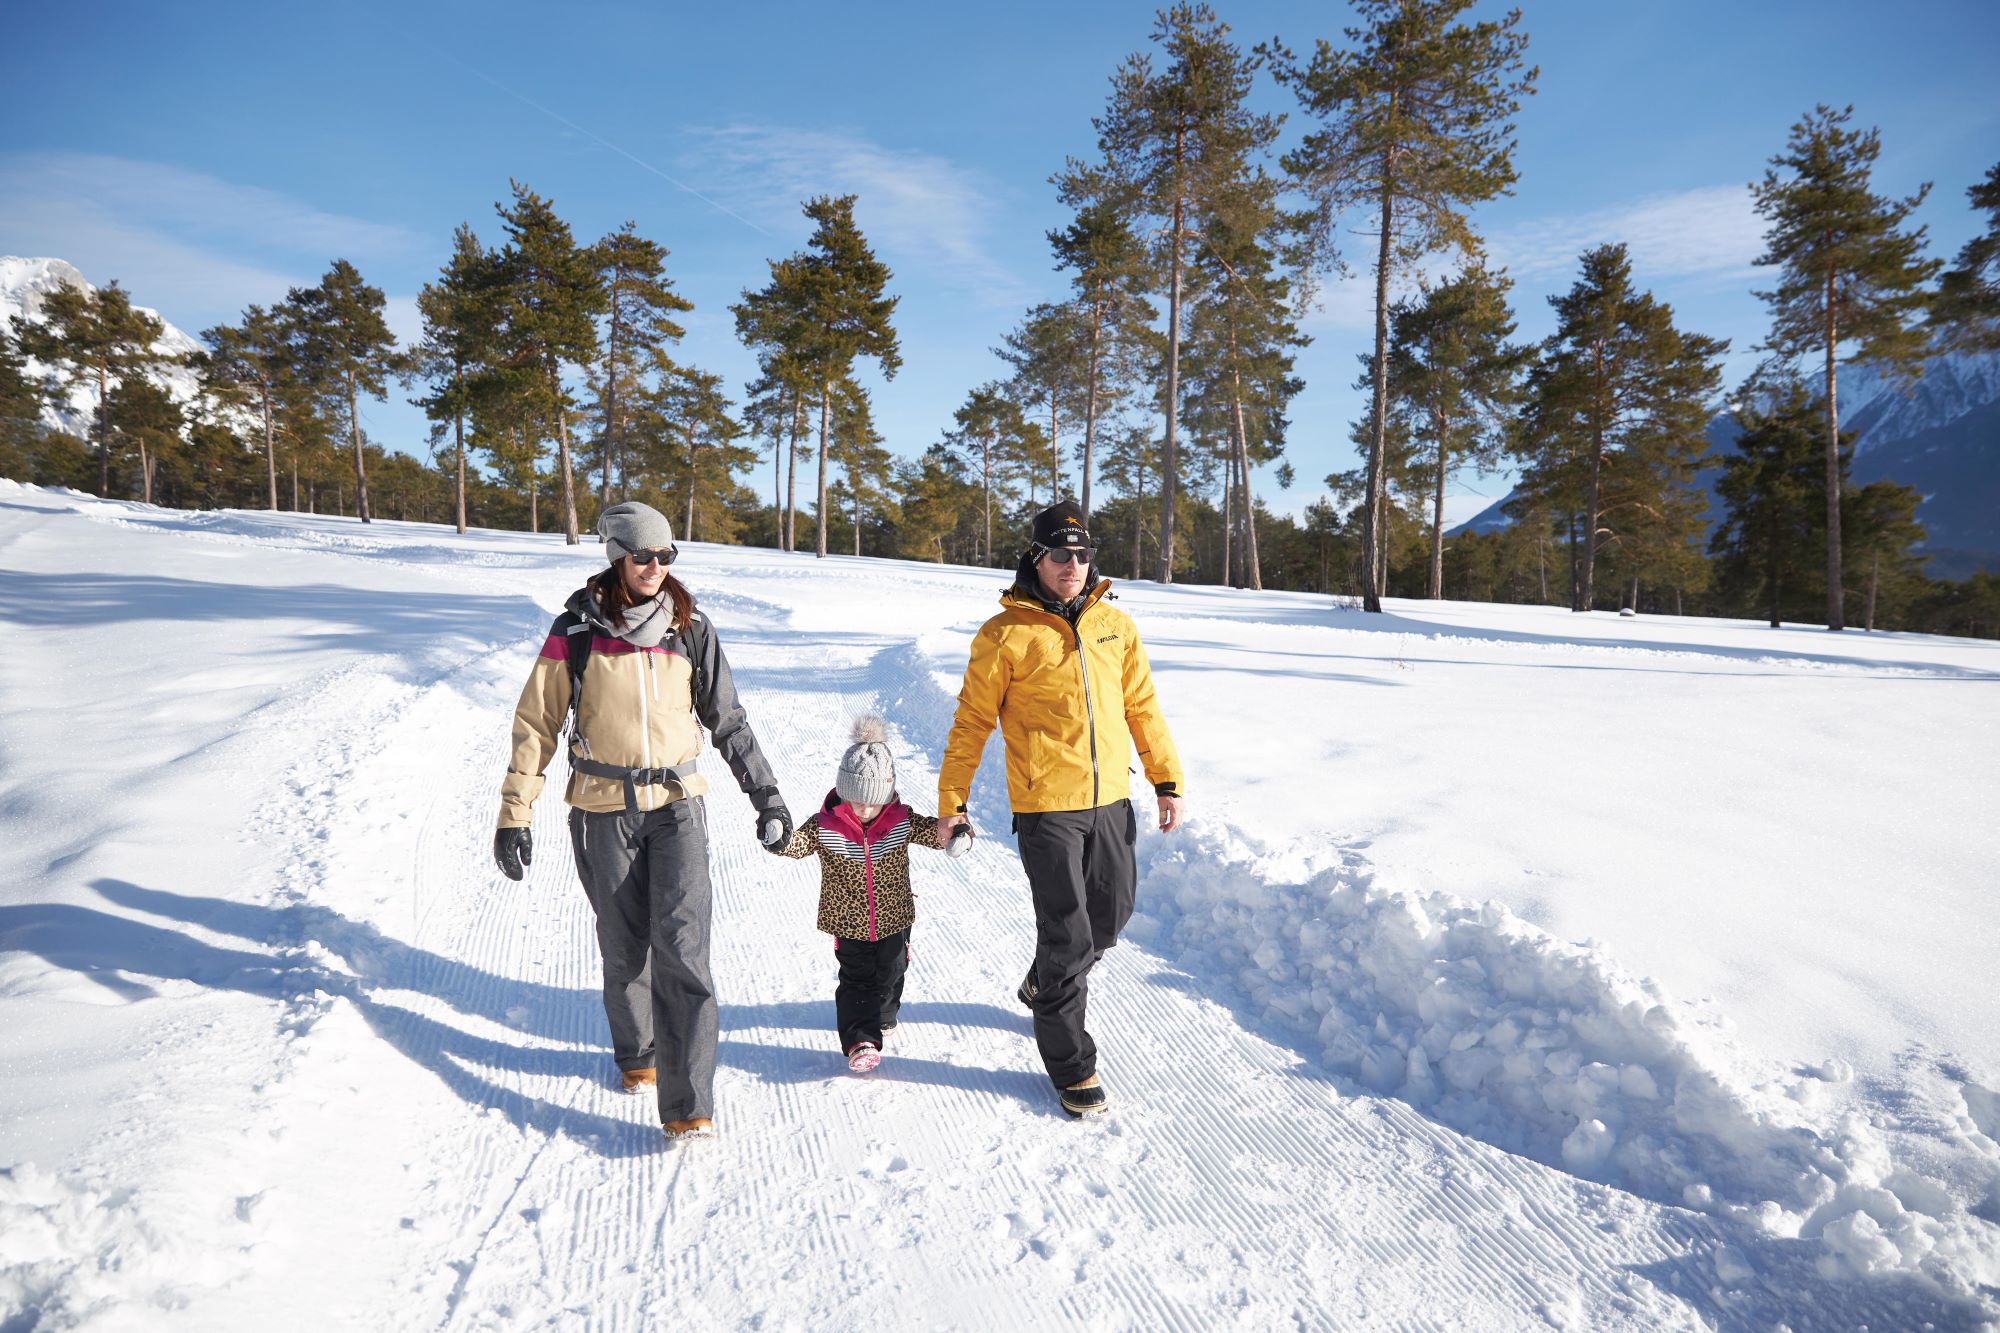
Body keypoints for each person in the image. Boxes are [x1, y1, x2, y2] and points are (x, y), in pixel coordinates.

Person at [492, 501, 792, 1143]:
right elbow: (535, 725)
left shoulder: (690, 629)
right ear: (616, 558)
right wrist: (514, 814)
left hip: (678, 807)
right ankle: (637, 1054)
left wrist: (767, 796)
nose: (656, 567)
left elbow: (728, 720)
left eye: (666, 556)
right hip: (603, 811)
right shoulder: (575, 631)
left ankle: (689, 1106)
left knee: (684, 951)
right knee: (625, 948)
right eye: (643, 556)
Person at [936, 500, 1183, 1117]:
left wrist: (1166, 780)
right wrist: (953, 801)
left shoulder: (1114, 626)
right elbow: (972, 722)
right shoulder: (1005, 634)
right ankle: (1072, 1063)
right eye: (1060, 554)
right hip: (1046, 807)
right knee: (1068, 933)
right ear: (1036, 558)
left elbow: (1142, 707)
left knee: (1111, 916)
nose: (1073, 565)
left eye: (1081, 554)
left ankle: (1044, 979)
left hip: (1109, 801)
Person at [766, 716, 964, 1073]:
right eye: (856, 801)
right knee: (856, 978)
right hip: (847, 920)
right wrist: (779, 838)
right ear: (843, 791)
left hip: (895, 916)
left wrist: (955, 834)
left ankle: (884, 1012)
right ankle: (861, 1039)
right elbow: (797, 844)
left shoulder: (900, 820)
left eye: (873, 803)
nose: (864, 809)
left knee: (891, 970)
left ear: (887, 797)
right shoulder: (825, 824)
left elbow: (933, 832)